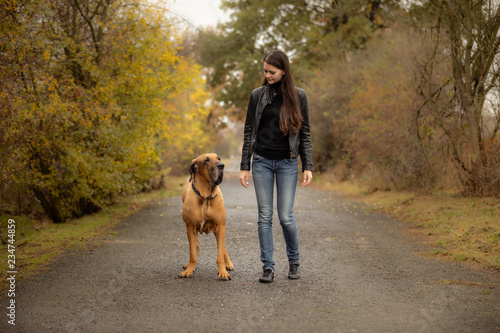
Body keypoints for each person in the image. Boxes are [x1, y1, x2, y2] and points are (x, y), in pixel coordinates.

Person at [239, 50, 313, 283]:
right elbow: (249, 131)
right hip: (261, 161)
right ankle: (268, 267)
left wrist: (307, 165)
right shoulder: (257, 95)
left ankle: (294, 262)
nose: (267, 75)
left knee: (285, 217)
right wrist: (245, 165)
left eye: (272, 72)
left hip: (288, 163)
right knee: (264, 216)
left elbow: (305, 133)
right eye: (265, 71)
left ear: (284, 71)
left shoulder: (299, 96)